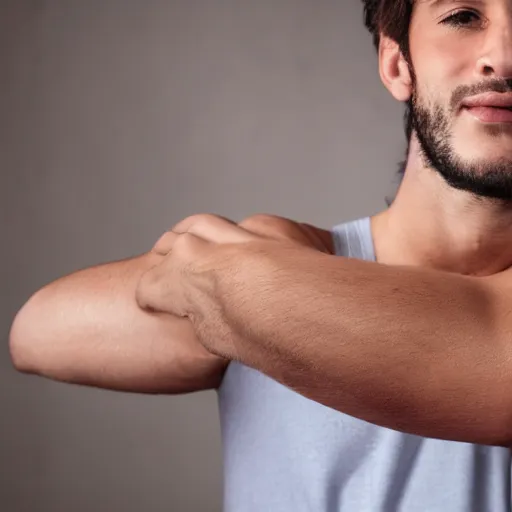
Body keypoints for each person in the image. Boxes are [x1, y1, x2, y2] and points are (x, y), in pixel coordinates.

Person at [9, 0, 512, 510]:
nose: (503, 56)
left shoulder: (250, 263)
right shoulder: (280, 259)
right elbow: (37, 333)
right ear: (396, 63)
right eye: (463, 16)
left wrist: (238, 278)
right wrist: (261, 278)